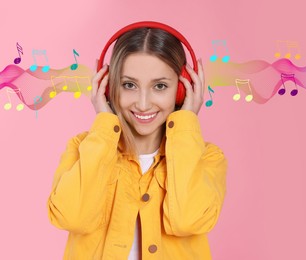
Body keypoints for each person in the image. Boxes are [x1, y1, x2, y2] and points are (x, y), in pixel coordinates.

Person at [47, 23, 227, 259]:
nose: (142, 104)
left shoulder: (207, 158)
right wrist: (103, 124)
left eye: (160, 86)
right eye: (129, 85)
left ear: (183, 90)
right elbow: (71, 217)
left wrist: (186, 123)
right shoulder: (83, 149)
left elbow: (188, 221)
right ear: (109, 86)